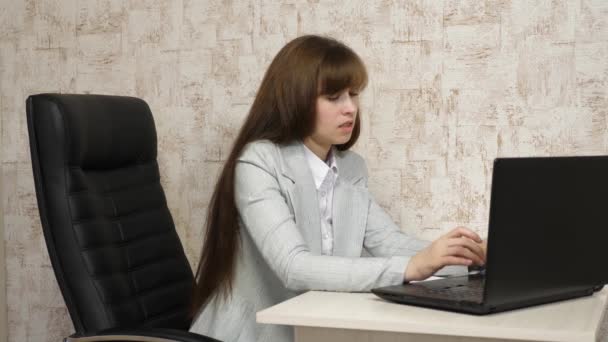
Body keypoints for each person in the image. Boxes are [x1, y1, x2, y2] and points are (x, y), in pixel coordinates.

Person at [189, 35, 486, 342]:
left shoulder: (351, 167)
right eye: (334, 97)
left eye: (353, 94)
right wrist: (411, 267)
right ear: (295, 98)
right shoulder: (259, 162)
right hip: (253, 333)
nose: (350, 109)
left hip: (315, 329)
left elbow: (388, 242)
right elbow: (294, 267)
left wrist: (470, 259)